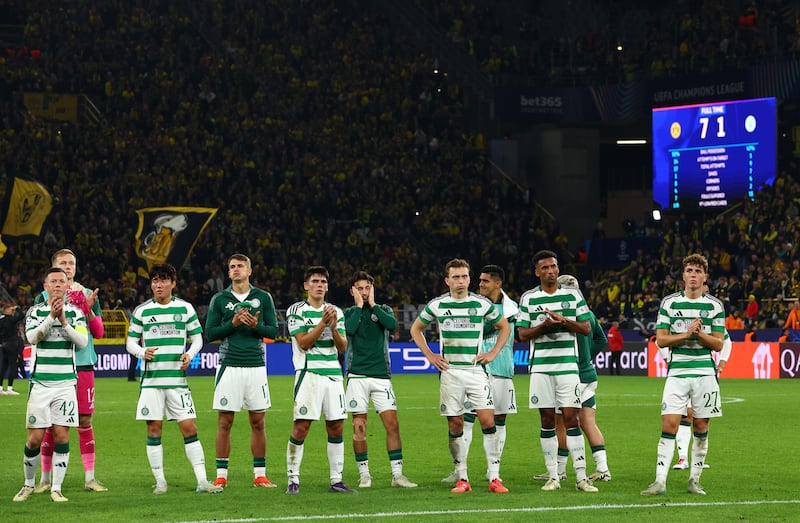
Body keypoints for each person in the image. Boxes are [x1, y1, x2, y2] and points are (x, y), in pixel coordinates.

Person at [410, 258, 512, 494]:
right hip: (450, 373)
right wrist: (430, 355)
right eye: (456, 277)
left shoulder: (481, 303)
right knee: (455, 423)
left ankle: (494, 478)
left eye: (465, 276)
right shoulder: (437, 305)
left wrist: (493, 352)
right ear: (447, 280)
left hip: (475, 371)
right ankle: (462, 478)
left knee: (488, 421)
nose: (461, 281)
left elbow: (504, 327)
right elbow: (416, 328)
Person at [126, 263, 222, 494]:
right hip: (151, 382)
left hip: (177, 382)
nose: (158, 285)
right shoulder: (142, 311)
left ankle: (202, 481)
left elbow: (198, 339)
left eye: (163, 280)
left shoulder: (185, 308)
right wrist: (141, 352)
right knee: (154, 430)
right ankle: (160, 482)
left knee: (189, 428)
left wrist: (189, 354)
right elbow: (130, 342)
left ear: (173, 283)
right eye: (155, 281)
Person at [641, 253, 724, 496]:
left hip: (705, 374)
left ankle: (694, 480)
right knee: (669, 423)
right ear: (683, 275)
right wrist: (687, 335)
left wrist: (699, 335)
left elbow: (718, 344)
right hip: (677, 374)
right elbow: (662, 339)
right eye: (689, 271)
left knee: (700, 424)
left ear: (705, 276)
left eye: (698, 271)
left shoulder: (715, 306)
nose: (693, 275)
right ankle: (659, 482)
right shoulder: (669, 303)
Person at [517, 250, 598, 493]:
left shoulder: (572, 296)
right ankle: (554, 476)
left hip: (567, 368)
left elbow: (585, 328)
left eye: (553, 266)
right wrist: (544, 326)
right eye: (545, 268)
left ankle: (582, 477)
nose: (550, 271)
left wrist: (563, 321)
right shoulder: (528, 298)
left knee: (572, 419)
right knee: (547, 420)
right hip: (541, 369)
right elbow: (521, 334)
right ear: (537, 272)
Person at [13, 267, 88, 502]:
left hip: (66, 383)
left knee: (62, 435)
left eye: (61, 281)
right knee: (34, 438)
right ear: (45, 286)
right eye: (53, 281)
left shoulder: (75, 313)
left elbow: (83, 342)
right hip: (40, 384)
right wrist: (51, 318)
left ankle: (56, 488)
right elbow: (32, 337)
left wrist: (64, 321)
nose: (57, 285)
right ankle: (28, 485)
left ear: (68, 286)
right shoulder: (35, 312)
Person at [35, 249, 107, 494]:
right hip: (55, 368)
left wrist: (89, 309)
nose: (67, 266)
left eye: (71, 263)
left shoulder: (88, 294)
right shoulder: (42, 297)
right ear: (53, 267)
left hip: (83, 364)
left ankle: (90, 478)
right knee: (50, 425)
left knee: (85, 420)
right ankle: (45, 479)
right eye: (62, 263)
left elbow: (98, 332)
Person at [206, 254, 279, 489]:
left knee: (258, 422)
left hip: (256, 365)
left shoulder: (263, 298)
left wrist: (255, 326)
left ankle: (260, 474)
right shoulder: (220, 299)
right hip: (229, 366)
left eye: (240, 266)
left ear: (250, 270)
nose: (236, 270)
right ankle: (221, 476)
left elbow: (274, 331)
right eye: (232, 267)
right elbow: (211, 333)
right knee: (225, 422)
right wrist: (234, 324)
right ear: (228, 273)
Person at [441, 264, 518, 484]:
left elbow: (505, 329)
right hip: (473, 369)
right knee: (467, 419)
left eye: (485, 281)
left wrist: (492, 351)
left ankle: (494, 469)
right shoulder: (474, 304)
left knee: (499, 419)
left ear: (497, 283)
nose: (480, 284)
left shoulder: (511, 307)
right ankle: (459, 470)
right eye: (480, 280)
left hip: (501, 368)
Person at [533, 274, 612, 483]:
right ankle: (602, 468)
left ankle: (559, 470)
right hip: (588, 373)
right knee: (587, 420)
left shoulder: (563, 313)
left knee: (560, 422)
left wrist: (577, 360)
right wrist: (586, 358)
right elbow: (601, 339)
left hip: (571, 374)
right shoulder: (588, 313)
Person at [344, 270, 417, 489]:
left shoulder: (383, 310)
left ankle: (397, 475)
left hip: (381, 377)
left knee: (392, 425)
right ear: (352, 291)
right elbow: (349, 329)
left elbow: (392, 325)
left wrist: (374, 304)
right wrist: (359, 306)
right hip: (357, 376)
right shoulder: (348, 313)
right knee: (359, 426)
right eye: (359, 288)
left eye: (367, 288)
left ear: (372, 289)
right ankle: (364, 474)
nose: (364, 292)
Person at [285, 266, 354, 494]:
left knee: (336, 427)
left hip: (333, 375)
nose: (320, 285)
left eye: (323, 281)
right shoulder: (296, 310)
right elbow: (304, 343)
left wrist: (333, 327)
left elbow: (342, 347)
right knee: (302, 426)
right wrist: (323, 323)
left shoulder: (337, 312)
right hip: (309, 374)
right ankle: (293, 479)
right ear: (306, 286)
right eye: (315, 281)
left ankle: (336, 480)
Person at [0, 302, 25, 395]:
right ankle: (10, 388)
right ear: (6, 310)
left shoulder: (1, 319)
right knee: (13, 366)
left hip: (3, 345)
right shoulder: (10, 320)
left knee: (3, 367)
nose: (13, 312)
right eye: (11, 310)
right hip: (12, 344)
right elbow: (22, 315)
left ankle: (1, 388)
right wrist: (17, 308)